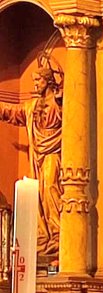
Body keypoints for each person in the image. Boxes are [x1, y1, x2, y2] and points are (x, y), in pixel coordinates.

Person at [0, 54, 63, 256]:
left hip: (54, 151)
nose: (35, 84)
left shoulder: (59, 103)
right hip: (37, 155)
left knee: (52, 188)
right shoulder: (31, 107)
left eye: (39, 80)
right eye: (34, 80)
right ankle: (44, 235)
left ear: (48, 81)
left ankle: (59, 233)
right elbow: (12, 112)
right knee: (38, 193)